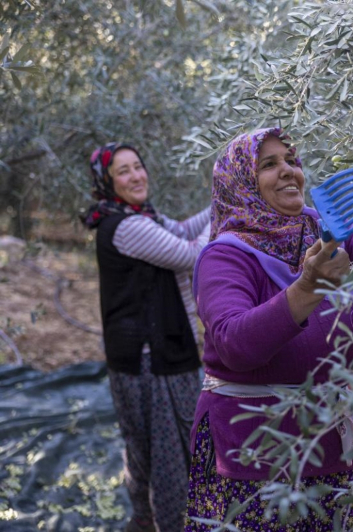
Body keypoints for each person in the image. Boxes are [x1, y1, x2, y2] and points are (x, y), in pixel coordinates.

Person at [184, 128, 353, 531]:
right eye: (269, 164)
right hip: (259, 461)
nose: (288, 171)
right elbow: (236, 344)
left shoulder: (326, 228)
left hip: (344, 456)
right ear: (242, 183)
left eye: (291, 160)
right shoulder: (224, 256)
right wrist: (308, 287)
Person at [82, 142, 211, 532]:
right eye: (123, 171)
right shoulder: (127, 226)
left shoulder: (137, 215)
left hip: (144, 355)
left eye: (138, 166)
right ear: (107, 181)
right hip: (152, 358)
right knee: (169, 454)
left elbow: (185, 230)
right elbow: (192, 253)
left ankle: (144, 521)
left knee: (145, 448)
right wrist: (232, 207)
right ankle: (174, 524)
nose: (136, 176)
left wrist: (225, 196)